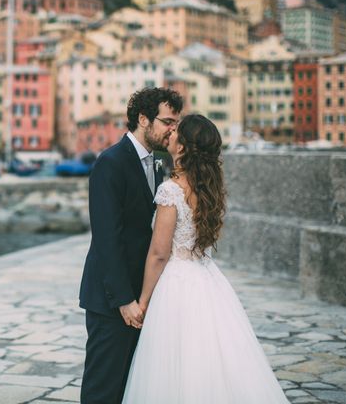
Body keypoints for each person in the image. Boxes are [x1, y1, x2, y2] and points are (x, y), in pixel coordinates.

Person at [122, 114, 289, 403]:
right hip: (207, 278)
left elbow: (160, 253)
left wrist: (144, 300)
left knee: (175, 361)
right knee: (211, 357)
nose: (170, 133)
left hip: (176, 284)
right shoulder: (208, 188)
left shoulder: (171, 190)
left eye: (176, 132)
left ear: (184, 147)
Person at [79, 88, 183, 404]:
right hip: (112, 299)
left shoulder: (158, 164)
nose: (172, 130)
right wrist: (124, 299)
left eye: (175, 123)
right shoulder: (110, 162)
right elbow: (106, 238)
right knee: (103, 389)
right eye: (167, 122)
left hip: (140, 295)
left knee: (128, 387)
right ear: (142, 118)